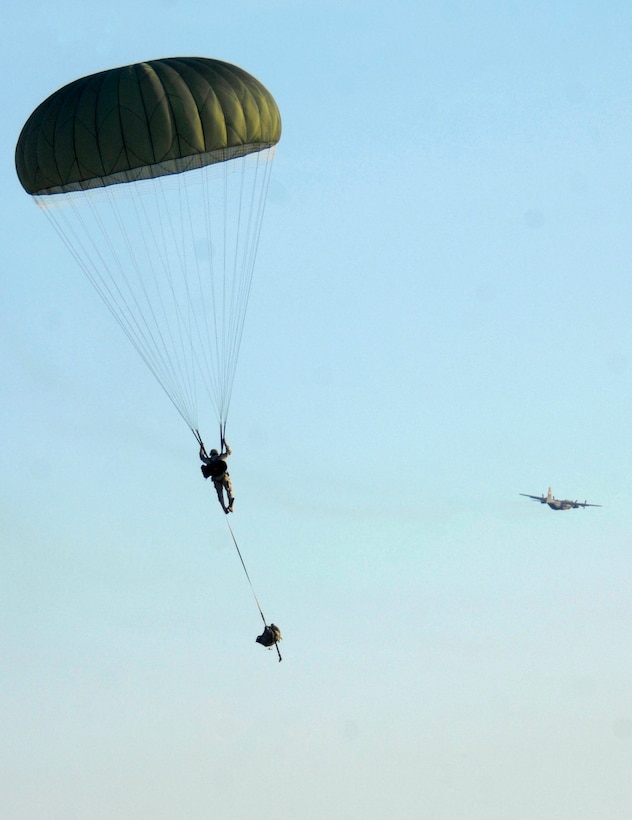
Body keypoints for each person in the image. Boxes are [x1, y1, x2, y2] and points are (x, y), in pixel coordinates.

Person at [200, 440, 234, 513]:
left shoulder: (209, 461)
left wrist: (201, 448)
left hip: (216, 479)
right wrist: (225, 442)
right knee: (229, 489)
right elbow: (229, 451)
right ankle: (230, 503)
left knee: (220, 495)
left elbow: (202, 457)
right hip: (224, 476)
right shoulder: (221, 457)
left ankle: (224, 508)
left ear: (211, 454)